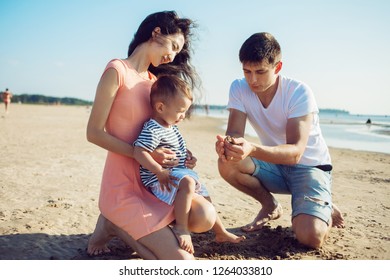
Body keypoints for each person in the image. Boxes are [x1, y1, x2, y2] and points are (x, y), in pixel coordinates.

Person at [86, 11, 218, 260]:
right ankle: (112, 222)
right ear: (156, 33)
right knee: (182, 263)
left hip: (155, 182)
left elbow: (159, 131)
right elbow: (93, 133)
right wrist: (144, 155)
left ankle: (135, 227)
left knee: (205, 216)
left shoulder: (154, 82)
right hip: (123, 185)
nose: (173, 55)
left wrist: (182, 156)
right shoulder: (118, 70)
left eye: (178, 52)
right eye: (173, 46)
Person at [215, 32, 345, 249]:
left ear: (278, 67)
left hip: (310, 168)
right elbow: (235, 133)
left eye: (260, 72)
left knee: (310, 237)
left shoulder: (298, 92)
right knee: (227, 161)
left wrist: (251, 148)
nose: (252, 80)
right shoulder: (238, 87)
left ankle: (324, 206)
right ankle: (270, 205)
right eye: (247, 71)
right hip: (276, 167)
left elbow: (295, 153)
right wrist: (227, 145)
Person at [133, 75, 244, 254]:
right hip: (158, 178)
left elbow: (180, 150)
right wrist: (158, 170)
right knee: (188, 183)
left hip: (176, 172)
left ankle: (220, 231)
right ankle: (182, 228)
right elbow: (139, 151)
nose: (183, 116)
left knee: (204, 192)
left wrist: (188, 159)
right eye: (180, 111)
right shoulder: (152, 128)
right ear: (161, 107)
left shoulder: (172, 128)